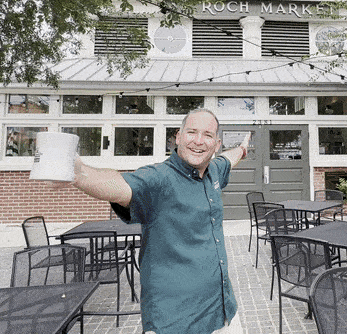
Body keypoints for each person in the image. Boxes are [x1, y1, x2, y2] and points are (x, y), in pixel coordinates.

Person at [49, 108, 249, 333]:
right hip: (175, 322)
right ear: (178, 136)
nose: (199, 141)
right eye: (192, 132)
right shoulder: (158, 179)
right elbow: (120, 186)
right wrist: (78, 173)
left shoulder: (214, 171)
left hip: (222, 313)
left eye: (208, 135)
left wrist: (242, 149)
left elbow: (229, 159)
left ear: (217, 143)